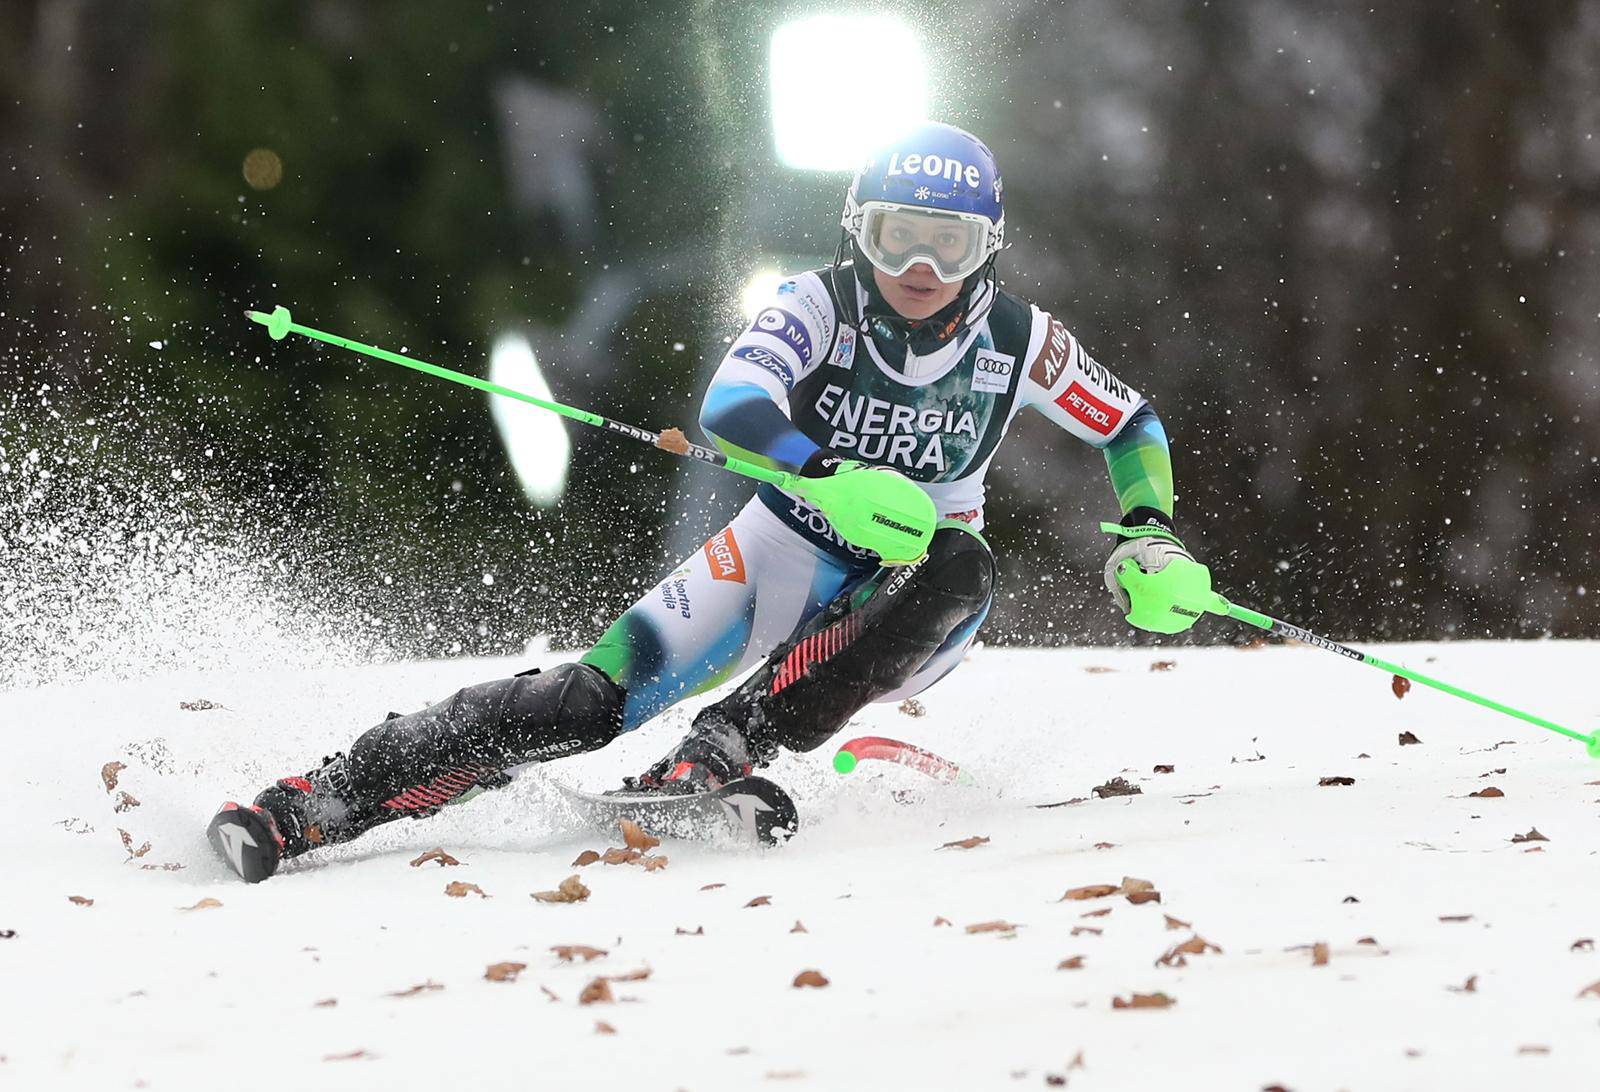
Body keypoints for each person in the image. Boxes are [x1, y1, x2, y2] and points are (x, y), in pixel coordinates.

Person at [207, 122, 1206, 881]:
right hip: (779, 548)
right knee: (590, 701)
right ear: (859, 230)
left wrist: (1147, 535)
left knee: (958, 563)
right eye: (899, 239)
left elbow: (1131, 425)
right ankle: (324, 798)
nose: (917, 271)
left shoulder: (1018, 339)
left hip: (913, 598)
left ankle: (722, 746)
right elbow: (733, 403)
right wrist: (823, 474)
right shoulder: (818, 304)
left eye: (945, 247)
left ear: (985, 247)